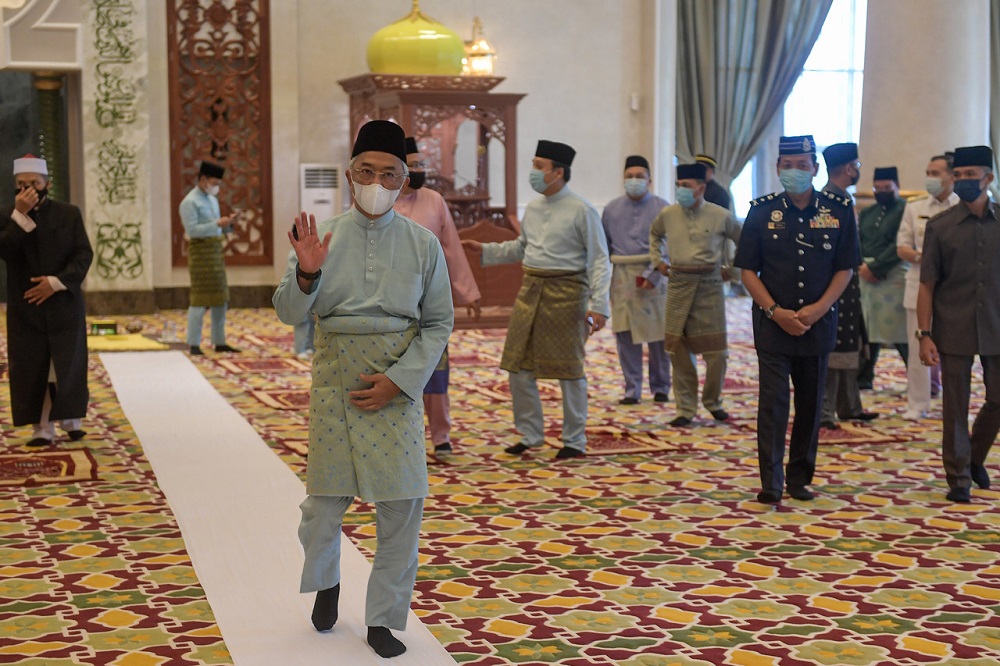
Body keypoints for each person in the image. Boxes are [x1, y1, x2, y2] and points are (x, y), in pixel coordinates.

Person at [272, 120, 453, 657]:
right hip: (336, 385)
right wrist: (307, 276)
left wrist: (400, 383)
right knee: (321, 511)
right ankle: (327, 581)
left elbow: (438, 323)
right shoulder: (319, 238)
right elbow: (287, 313)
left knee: (401, 511)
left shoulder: (424, 245)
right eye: (367, 171)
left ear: (404, 180)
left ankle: (382, 620)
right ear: (350, 175)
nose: (377, 181)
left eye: (389, 174)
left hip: (396, 388)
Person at [462, 139, 611, 460]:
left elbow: (600, 260)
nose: (533, 172)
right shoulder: (533, 208)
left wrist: (599, 305)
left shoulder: (582, 210)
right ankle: (531, 435)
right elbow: (522, 249)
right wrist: (486, 250)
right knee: (518, 367)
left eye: (538, 166)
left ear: (558, 172)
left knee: (570, 371)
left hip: (568, 295)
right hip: (531, 292)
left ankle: (574, 440)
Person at [734, 135, 858, 504]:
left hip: (817, 324)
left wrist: (819, 308)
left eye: (802, 165)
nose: (795, 172)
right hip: (773, 325)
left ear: (815, 169)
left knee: (809, 404)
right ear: (777, 169)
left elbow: (846, 268)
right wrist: (775, 311)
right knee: (772, 404)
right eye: (787, 166)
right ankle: (770, 481)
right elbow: (747, 271)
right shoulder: (760, 212)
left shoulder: (837, 211)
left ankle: (799, 477)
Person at [917, 144, 999, 504]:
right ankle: (959, 478)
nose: (965, 181)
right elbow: (927, 285)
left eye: (972, 175)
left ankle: (975, 459)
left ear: (988, 178)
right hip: (953, 326)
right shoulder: (940, 227)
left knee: (998, 399)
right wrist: (924, 334)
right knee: (955, 405)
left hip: (997, 325)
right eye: (960, 175)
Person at [394, 136, 482, 454]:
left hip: (431, 298)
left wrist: (469, 293)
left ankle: (441, 436)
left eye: (422, 165)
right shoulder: (380, 201)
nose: (420, 171)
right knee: (396, 365)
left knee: (435, 366)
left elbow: (452, 249)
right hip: (391, 301)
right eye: (413, 165)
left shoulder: (434, 200)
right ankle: (403, 431)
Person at [0, 154, 93, 447]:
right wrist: (20, 217)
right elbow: (6, 251)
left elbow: (83, 255)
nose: (28, 189)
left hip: (63, 303)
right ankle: (42, 428)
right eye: (21, 184)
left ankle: (70, 421)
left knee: (64, 364)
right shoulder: (7, 217)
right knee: (34, 366)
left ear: (47, 184)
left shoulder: (69, 213)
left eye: (34, 183)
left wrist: (54, 283)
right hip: (27, 307)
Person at [648, 162, 742, 427]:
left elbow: (743, 239)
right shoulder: (668, 214)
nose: (681, 191)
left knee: (717, 354)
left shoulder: (720, 215)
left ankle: (713, 402)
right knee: (678, 349)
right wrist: (659, 262)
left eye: (686, 186)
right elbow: (655, 236)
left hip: (710, 285)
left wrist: (733, 271)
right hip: (678, 283)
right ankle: (685, 408)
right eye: (678, 186)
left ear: (701, 188)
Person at [601, 154, 671, 405]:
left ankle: (661, 386)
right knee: (625, 334)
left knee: (658, 336)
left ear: (649, 180)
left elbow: (669, 247)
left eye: (639, 177)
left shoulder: (663, 208)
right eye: (629, 176)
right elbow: (604, 248)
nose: (634, 181)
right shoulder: (611, 209)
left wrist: (653, 275)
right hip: (622, 277)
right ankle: (632, 389)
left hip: (655, 275)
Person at [818, 143, 876, 429]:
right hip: (834, 285)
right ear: (849, 168)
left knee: (849, 345)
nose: (858, 171)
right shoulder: (829, 201)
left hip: (848, 285)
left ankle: (850, 406)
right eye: (857, 166)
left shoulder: (842, 199)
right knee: (832, 349)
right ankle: (826, 412)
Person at [897, 154, 956, 419]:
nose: (930, 178)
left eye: (936, 173)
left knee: (955, 352)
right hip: (919, 285)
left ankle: (955, 406)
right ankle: (917, 403)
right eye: (928, 172)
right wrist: (927, 259)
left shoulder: (963, 206)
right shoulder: (914, 206)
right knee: (917, 347)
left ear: (952, 176)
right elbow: (902, 247)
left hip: (954, 291)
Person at [179, 160, 241, 355]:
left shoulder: (212, 200)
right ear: (203, 179)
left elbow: (218, 227)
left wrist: (230, 223)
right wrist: (217, 223)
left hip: (215, 252)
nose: (216, 187)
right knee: (199, 301)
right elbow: (193, 230)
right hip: (200, 255)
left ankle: (219, 341)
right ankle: (194, 343)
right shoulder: (189, 202)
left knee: (220, 300)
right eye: (214, 183)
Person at [857, 167, 909, 389]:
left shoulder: (906, 211)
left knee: (900, 330)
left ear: (897, 186)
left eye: (887, 188)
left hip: (893, 274)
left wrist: (877, 268)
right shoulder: (868, 212)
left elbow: (901, 243)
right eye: (877, 188)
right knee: (868, 327)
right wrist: (862, 265)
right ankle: (864, 376)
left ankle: (917, 378)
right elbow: (857, 240)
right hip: (865, 274)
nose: (882, 192)